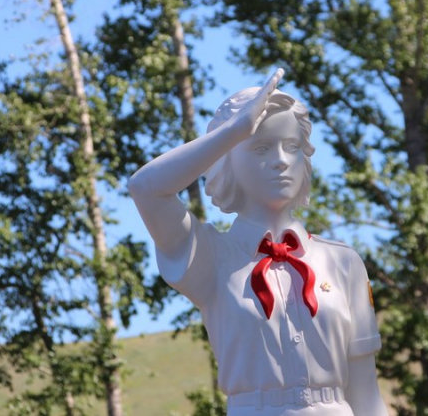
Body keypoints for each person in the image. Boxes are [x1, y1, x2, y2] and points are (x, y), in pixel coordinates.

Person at [128, 68, 387, 415]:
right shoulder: (209, 257)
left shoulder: (343, 262)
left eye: (292, 147)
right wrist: (234, 132)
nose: (280, 161)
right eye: (260, 147)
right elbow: (145, 188)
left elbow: (367, 394)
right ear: (226, 160)